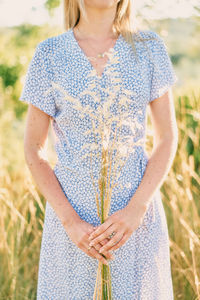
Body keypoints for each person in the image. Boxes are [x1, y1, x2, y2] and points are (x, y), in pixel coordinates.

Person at [19, 0, 178, 299]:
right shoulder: (49, 54)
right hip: (74, 229)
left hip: (135, 223)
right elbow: (32, 148)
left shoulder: (149, 48)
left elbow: (167, 138)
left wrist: (136, 210)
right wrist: (70, 221)